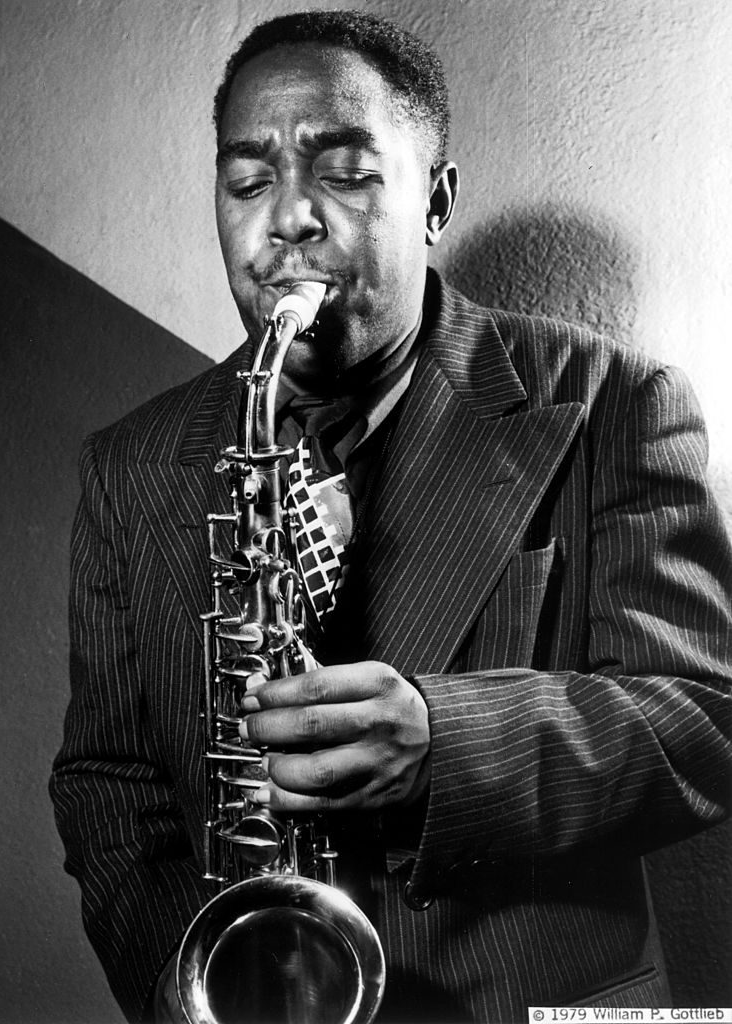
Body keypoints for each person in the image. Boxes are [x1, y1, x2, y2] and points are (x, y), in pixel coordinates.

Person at [49, 10, 732, 1023]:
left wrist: (440, 745)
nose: (286, 219)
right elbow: (106, 781)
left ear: (434, 201)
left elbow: (700, 719)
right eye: (247, 181)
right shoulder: (127, 465)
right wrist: (193, 990)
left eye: (345, 172)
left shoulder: (614, 400)